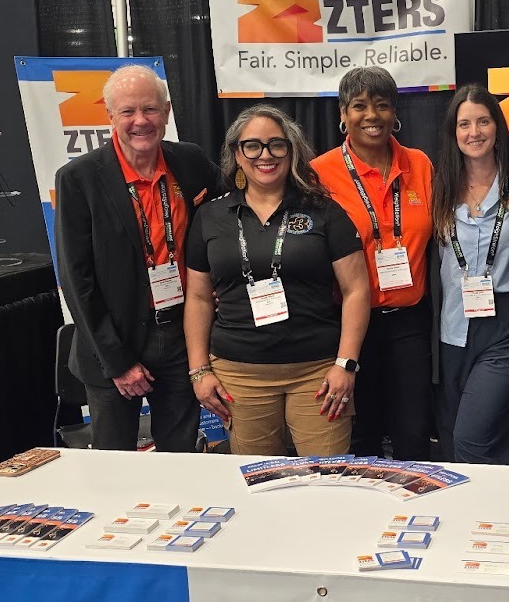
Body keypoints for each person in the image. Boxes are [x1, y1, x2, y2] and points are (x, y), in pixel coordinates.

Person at [54, 64, 225, 451]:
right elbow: (76, 280)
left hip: (182, 337)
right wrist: (119, 363)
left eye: (150, 110)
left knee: (180, 458)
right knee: (117, 471)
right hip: (114, 348)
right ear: (110, 117)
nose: (140, 121)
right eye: (128, 112)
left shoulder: (191, 162)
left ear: (166, 112)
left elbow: (235, 206)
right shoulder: (79, 179)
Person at [184, 106, 369, 456]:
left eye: (276, 145)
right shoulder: (210, 216)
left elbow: (356, 289)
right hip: (239, 377)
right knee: (260, 485)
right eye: (252, 146)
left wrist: (346, 364)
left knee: (328, 481)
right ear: (236, 155)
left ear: (292, 151)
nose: (265, 155)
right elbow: (198, 298)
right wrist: (198, 372)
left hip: (317, 373)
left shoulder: (324, 211)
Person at [311, 67, 435, 461]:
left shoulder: (420, 165)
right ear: (343, 114)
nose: (371, 115)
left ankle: (412, 519)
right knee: (357, 438)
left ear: (394, 113)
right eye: (359, 106)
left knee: (412, 436)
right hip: (347, 326)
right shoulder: (319, 174)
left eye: (382, 105)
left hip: (409, 325)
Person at [428, 86, 509, 463]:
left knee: (470, 438)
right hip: (451, 329)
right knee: (452, 440)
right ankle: (484, 518)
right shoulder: (439, 185)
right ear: (453, 132)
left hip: (504, 328)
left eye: (482, 121)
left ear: (497, 127)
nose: (474, 132)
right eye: (464, 124)